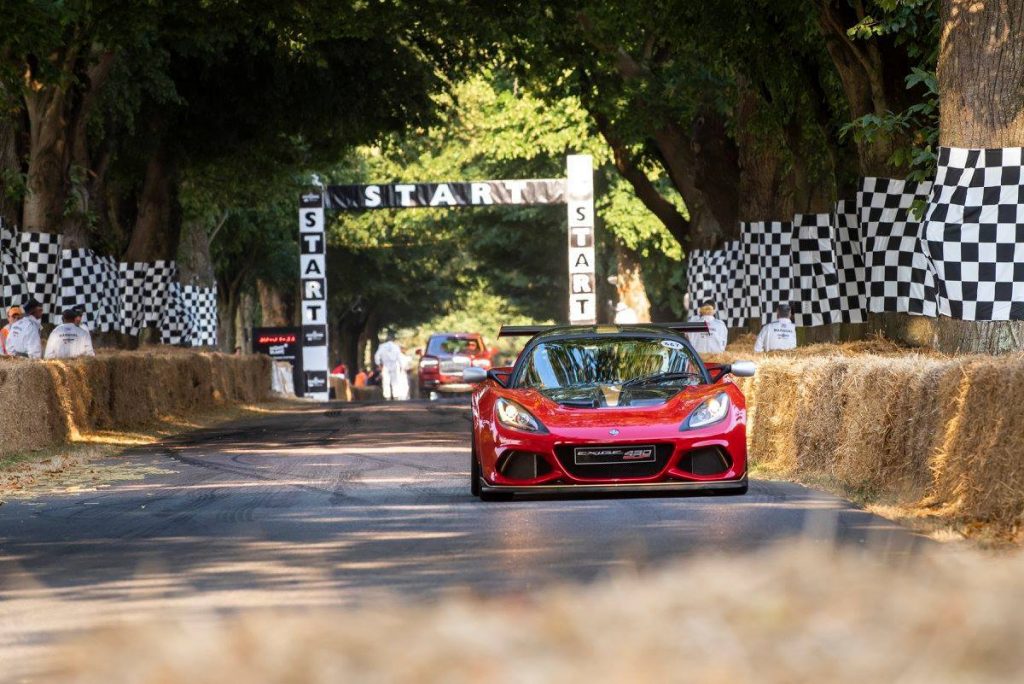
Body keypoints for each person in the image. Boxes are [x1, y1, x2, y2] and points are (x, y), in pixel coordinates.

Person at [374, 331, 407, 400]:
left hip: (385, 365)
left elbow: (377, 355)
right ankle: (395, 395)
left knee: (386, 381)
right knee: (394, 380)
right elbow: (399, 357)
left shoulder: (382, 346)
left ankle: (387, 396)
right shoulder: (396, 347)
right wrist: (401, 366)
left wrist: (378, 364)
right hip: (394, 365)